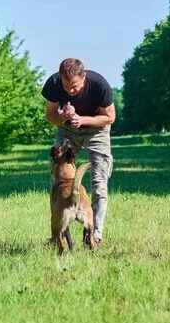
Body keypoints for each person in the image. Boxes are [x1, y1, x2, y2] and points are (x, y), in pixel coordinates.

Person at [42, 58, 115, 245]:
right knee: (57, 182)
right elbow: (50, 117)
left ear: (84, 77)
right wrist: (62, 116)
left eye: (75, 86)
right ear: (60, 78)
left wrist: (82, 120)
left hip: (96, 131)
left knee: (99, 181)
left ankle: (94, 234)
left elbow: (109, 117)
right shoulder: (53, 84)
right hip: (67, 131)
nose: (71, 91)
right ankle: (58, 233)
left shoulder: (100, 86)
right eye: (67, 86)